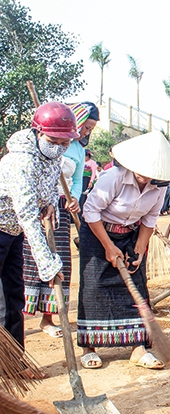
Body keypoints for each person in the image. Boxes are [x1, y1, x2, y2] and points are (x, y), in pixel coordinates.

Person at [77, 131, 170, 370]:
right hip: (97, 233)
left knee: (136, 286)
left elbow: (150, 217)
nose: (146, 179)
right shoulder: (111, 177)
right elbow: (90, 212)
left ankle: (138, 348)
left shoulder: (160, 185)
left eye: (152, 174)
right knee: (94, 287)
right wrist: (109, 246)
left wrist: (139, 249)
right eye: (143, 172)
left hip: (132, 233)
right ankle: (88, 347)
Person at [0, 101, 78, 347]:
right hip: (5, 228)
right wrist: (48, 264)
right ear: (38, 133)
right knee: (1, 303)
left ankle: (16, 362)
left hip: (13, 234)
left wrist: (52, 203)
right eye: (53, 142)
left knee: (14, 298)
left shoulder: (52, 158)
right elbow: (26, 215)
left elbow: (51, 187)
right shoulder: (20, 162)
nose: (59, 148)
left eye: (65, 143)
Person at [22, 101, 99, 338]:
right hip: (32, 205)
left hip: (61, 208)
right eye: (85, 126)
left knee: (59, 258)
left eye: (90, 129)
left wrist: (73, 198)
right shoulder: (38, 143)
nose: (85, 132)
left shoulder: (76, 149)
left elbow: (76, 180)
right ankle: (17, 319)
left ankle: (48, 319)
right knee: (28, 260)